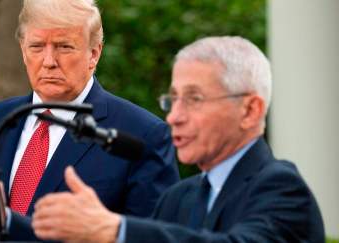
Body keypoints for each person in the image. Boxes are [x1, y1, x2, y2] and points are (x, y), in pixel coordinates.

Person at [31, 36, 325, 242]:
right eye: (173, 100)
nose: (174, 117)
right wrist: (1, 220)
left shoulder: (282, 188)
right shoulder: (178, 198)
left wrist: (115, 229)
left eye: (194, 99)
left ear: (250, 110)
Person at [0, 0, 179, 241]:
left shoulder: (141, 135)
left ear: (94, 53)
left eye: (64, 47)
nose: (48, 61)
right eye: (36, 46)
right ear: (23, 51)